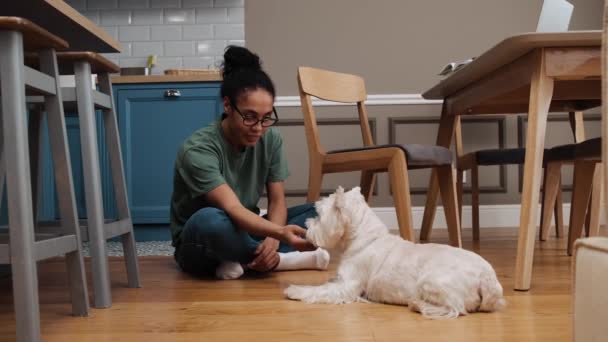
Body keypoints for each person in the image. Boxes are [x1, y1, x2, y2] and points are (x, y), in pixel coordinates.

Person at [170, 46, 329, 279]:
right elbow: (232, 209)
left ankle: (242, 260)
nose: (258, 128)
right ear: (227, 106)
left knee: (320, 211)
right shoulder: (197, 149)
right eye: (250, 117)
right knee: (210, 220)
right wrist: (280, 235)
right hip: (199, 243)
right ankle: (280, 261)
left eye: (266, 118)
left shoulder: (271, 138)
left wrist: (272, 239)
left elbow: (277, 201)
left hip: (246, 229)